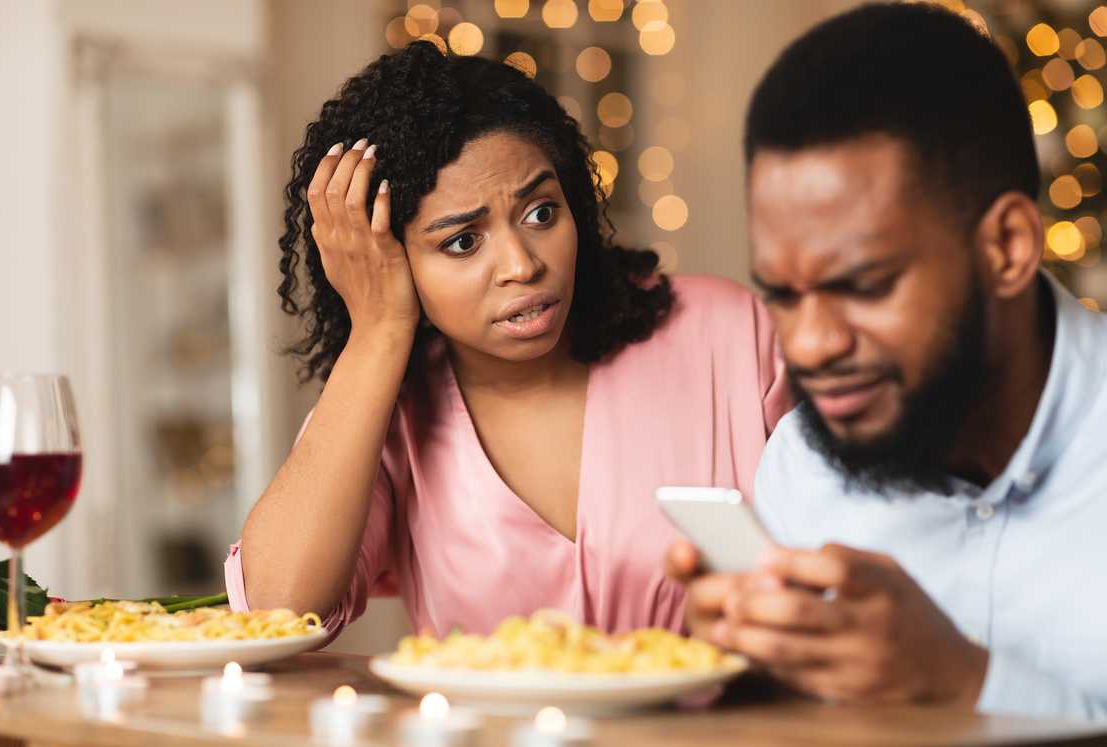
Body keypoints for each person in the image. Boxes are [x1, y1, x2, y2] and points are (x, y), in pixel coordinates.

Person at [226, 41, 789, 640]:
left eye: (541, 213)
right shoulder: (388, 407)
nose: (522, 264)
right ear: (387, 260)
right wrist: (378, 331)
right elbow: (276, 612)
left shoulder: (728, 334)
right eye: (463, 242)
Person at [667, 2, 1107, 721]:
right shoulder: (803, 466)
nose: (809, 345)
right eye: (781, 294)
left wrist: (965, 682)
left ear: (1008, 248)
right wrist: (745, 679)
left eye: (864, 286)